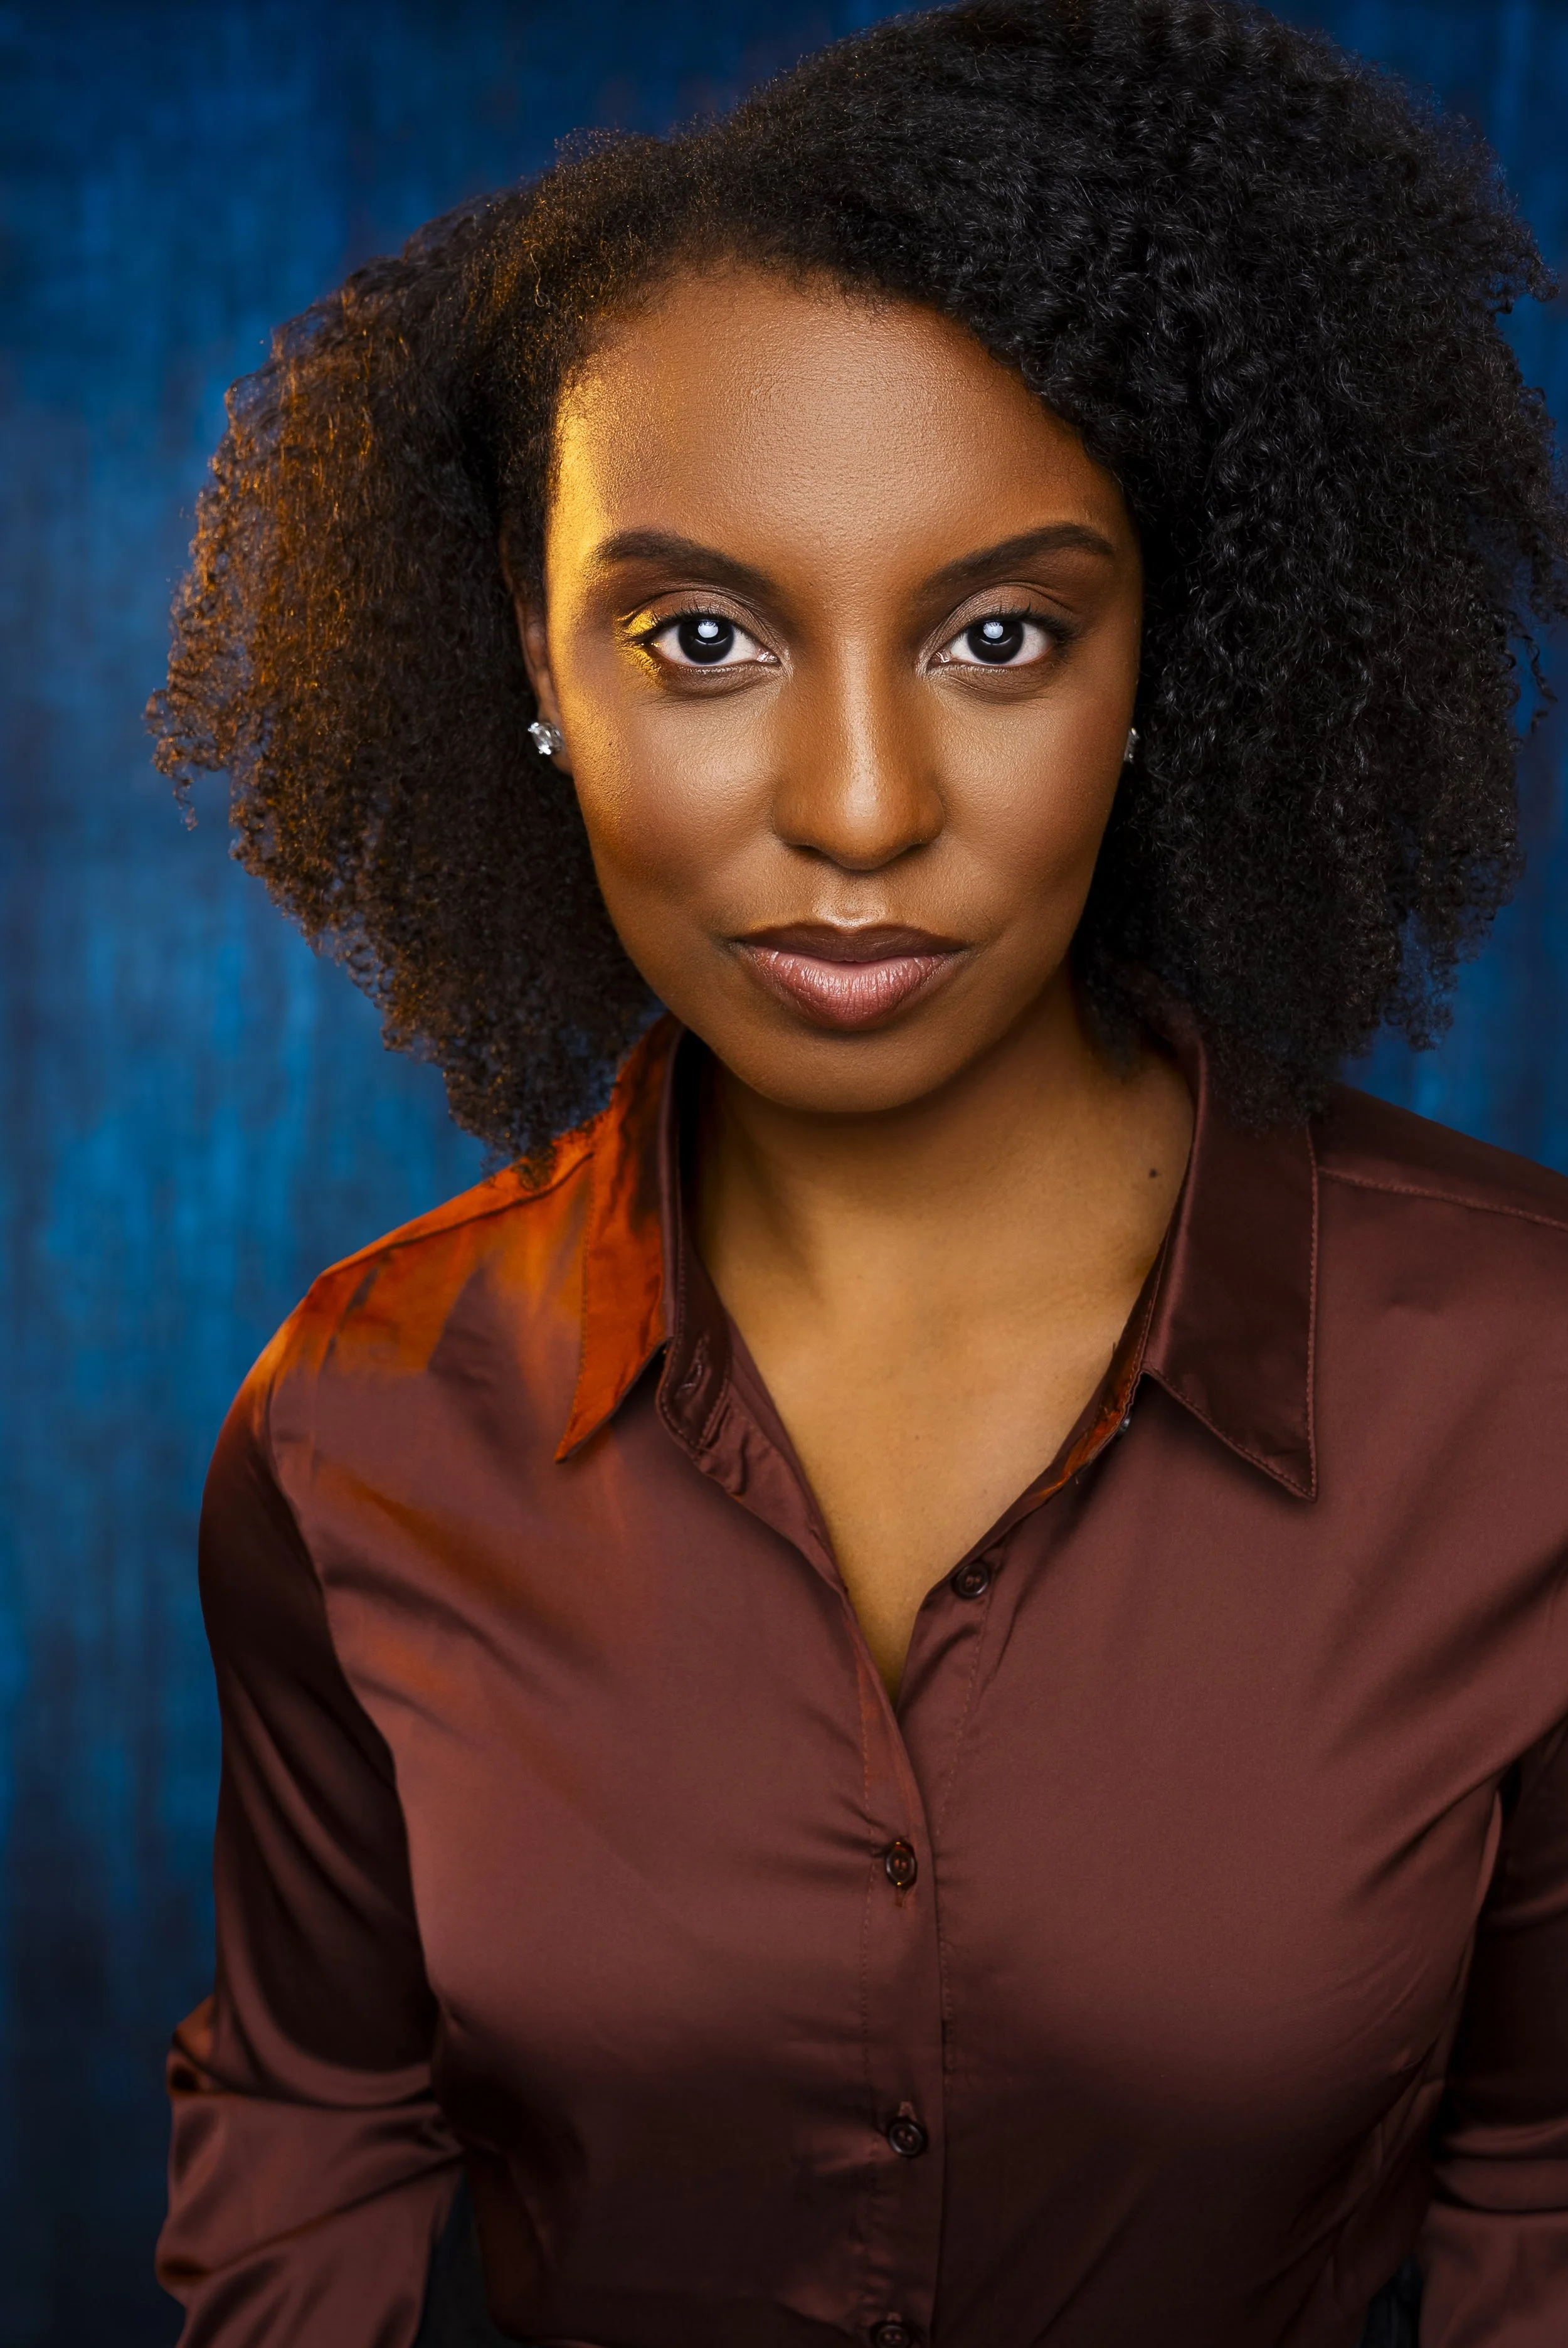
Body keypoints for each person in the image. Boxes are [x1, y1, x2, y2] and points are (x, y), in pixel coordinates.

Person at [147, 2, 1568, 2342]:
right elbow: (313, 2123)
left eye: (998, 634)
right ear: (531, 659)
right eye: (698, 636)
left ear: (1159, 666)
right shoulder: (359, 1425)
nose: (863, 806)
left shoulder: (1519, 1393)